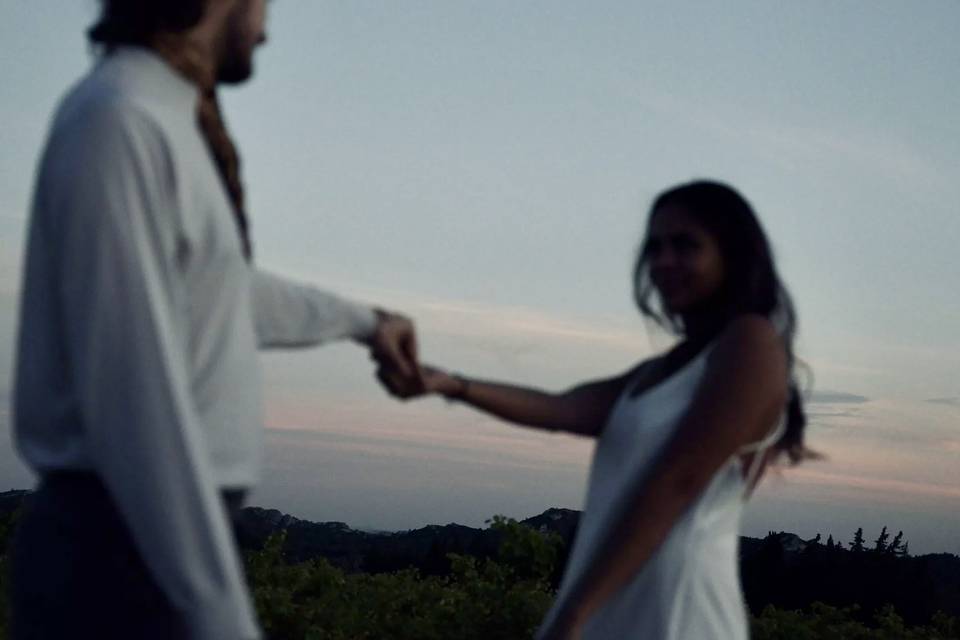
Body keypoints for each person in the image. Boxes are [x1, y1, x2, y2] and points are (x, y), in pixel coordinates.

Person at [10, 1, 422, 638]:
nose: (267, 26)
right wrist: (218, 613)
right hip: (123, 559)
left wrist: (367, 321)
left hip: (144, 551)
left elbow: (219, 295)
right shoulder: (120, 121)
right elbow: (133, 404)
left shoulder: (156, 120)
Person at [380, 180, 811, 639]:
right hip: (610, 604)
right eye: (655, 247)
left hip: (676, 609)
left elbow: (680, 480)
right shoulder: (659, 372)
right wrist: (450, 383)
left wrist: (574, 611)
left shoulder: (752, 341)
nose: (663, 261)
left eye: (685, 245)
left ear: (734, 253)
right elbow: (560, 407)